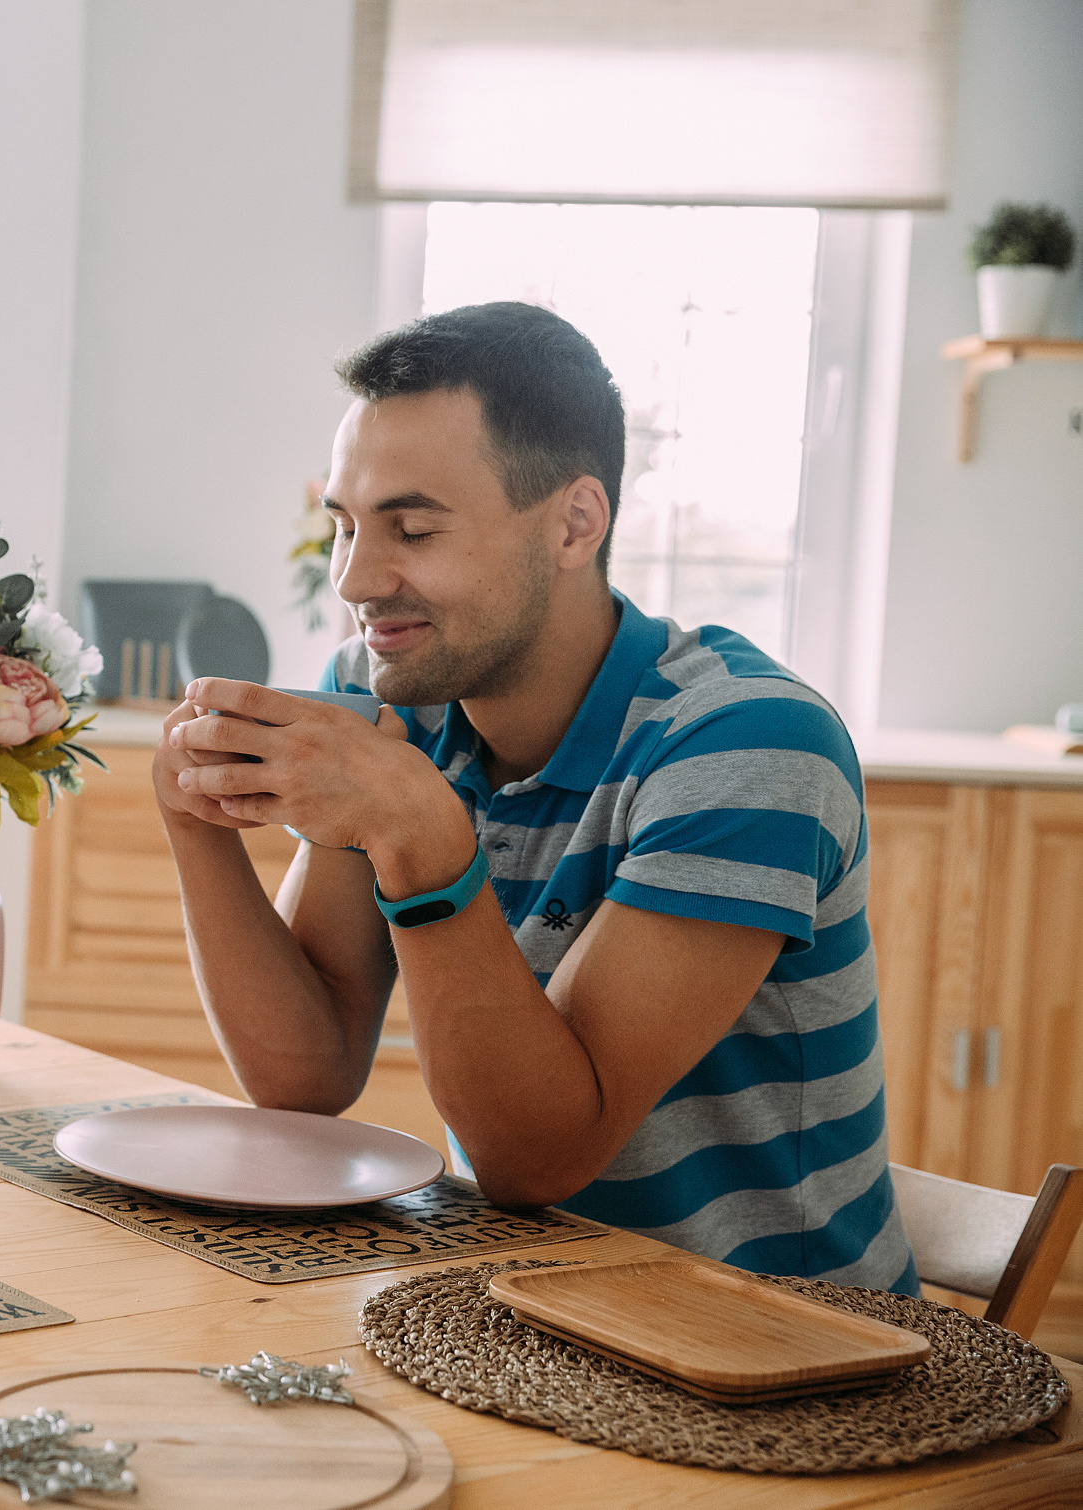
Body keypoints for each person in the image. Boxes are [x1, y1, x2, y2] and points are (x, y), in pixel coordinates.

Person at [156, 301, 916, 1294]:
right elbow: (306, 1075)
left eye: (410, 528)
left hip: (779, 1351)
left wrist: (421, 837)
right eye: (343, 525)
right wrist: (194, 821)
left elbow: (536, 1159)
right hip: (526, 1306)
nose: (354, 577)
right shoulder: (399, 696)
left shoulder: (747, 743)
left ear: (572, 522)